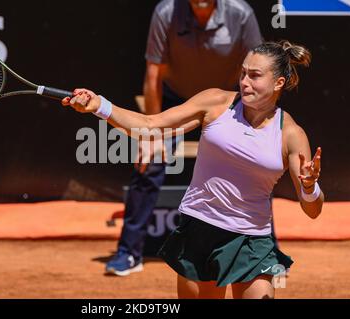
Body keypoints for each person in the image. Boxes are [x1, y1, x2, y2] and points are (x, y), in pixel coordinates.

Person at [61, 40, 324, 299]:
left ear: (278, 83)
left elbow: (312, 210)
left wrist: (310, 188)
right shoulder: (215, 103)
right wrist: (100, 106)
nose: (244, 82)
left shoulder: (291, 134)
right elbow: (151, 126)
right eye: (243, 72)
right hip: (200, 230)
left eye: (255, 76)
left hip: (252, 240)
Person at [105, 0, 263, 276]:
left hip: (225, 102)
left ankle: (258, 252)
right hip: (176, 99)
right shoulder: (166, 12)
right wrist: (150, 135)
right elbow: (153, 73)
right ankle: (129, 252)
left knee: (252, 166)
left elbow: (258, 72)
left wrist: (252, 123)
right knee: (149, 159)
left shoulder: (241, 14)